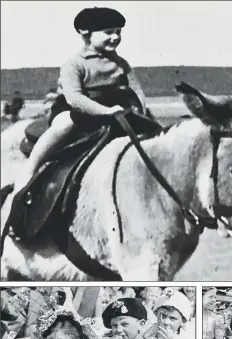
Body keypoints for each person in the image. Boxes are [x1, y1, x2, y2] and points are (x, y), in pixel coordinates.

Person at [6, 7, 161, 237]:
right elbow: (75, 98)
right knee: (64, 126)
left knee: (153, 134)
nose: (115, 37)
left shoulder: (121, 63)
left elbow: (136, 91)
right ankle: (29, 174)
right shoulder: (74, 64)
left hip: (116, 111)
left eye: (119, 32)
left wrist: (142, 110)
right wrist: (106, 112)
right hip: (78, 111)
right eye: (109, 32)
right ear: (85, 32)